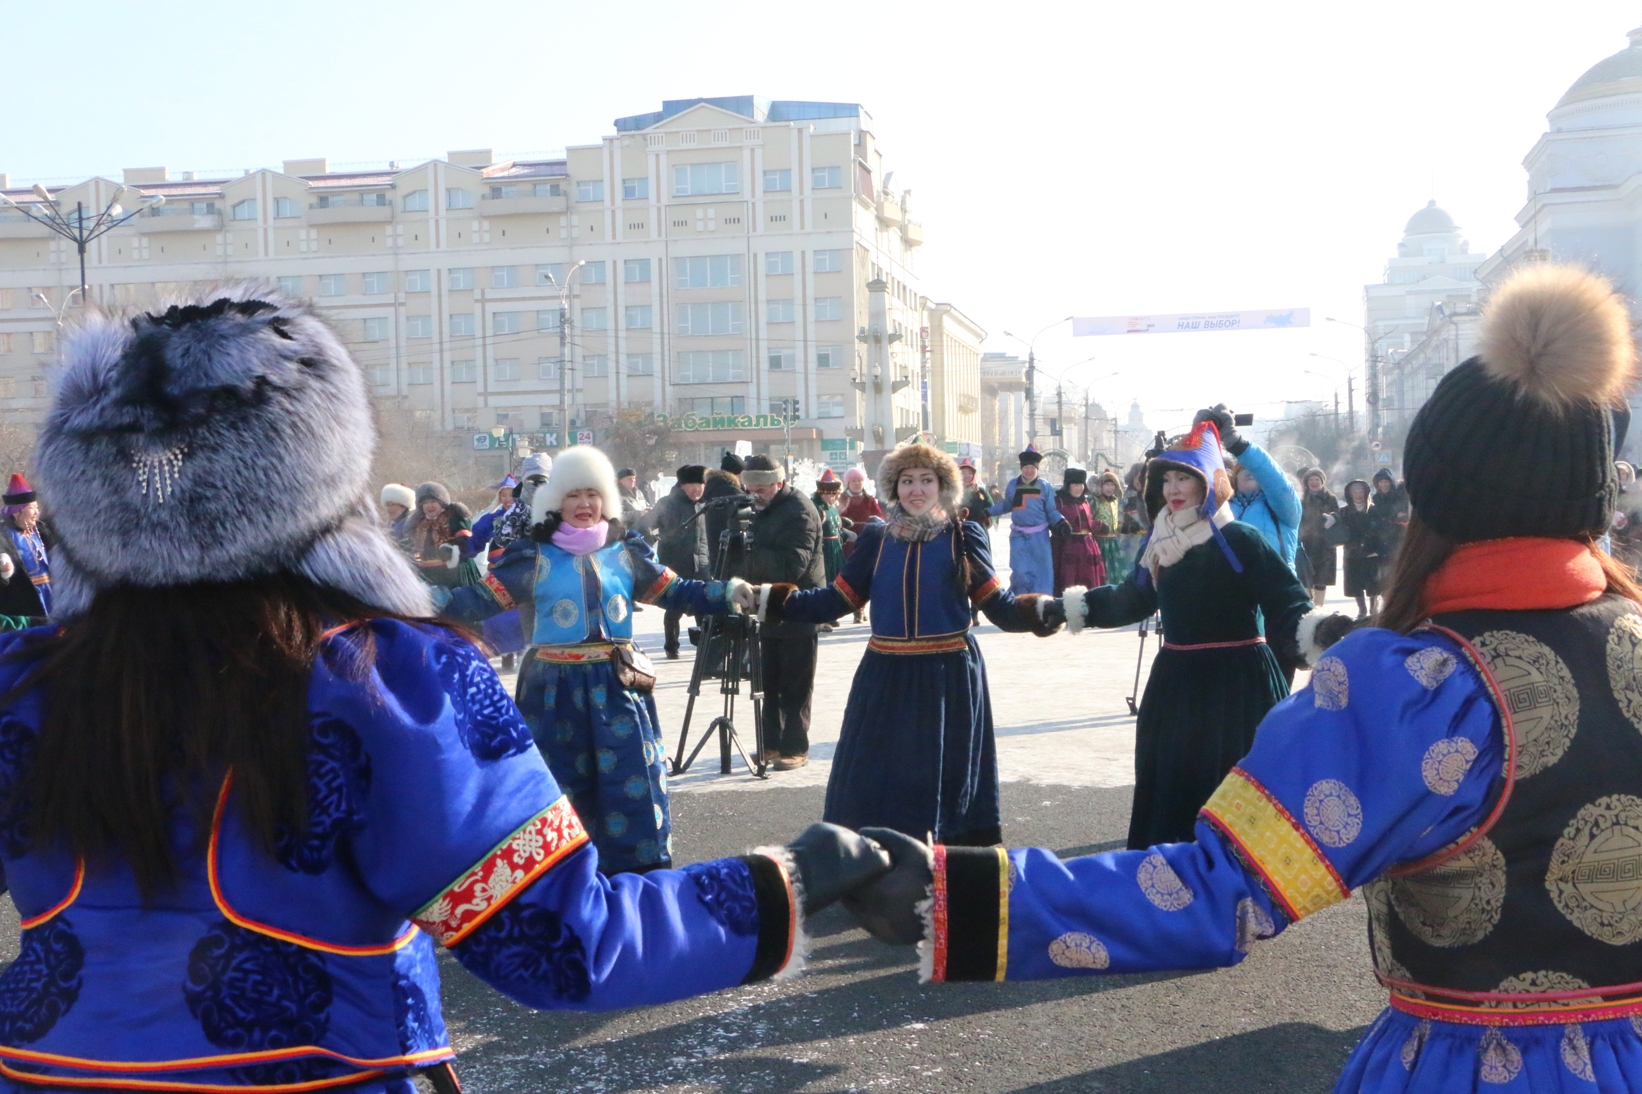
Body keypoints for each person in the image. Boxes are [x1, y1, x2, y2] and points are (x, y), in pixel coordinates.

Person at [0, 288, 885, 1092]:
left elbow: (653, 593)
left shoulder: (29, 680)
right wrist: (794, 879)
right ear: (319, 479)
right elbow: (563, 945)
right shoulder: (385, 677)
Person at [845, 263, 1642, 1094]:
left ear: (1434, 501)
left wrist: (941, 892)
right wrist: (1067, 609)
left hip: (1469, 1068)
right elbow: (1129, 599)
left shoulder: (1419, 685)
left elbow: (1213, 893)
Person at [434, 445, 743, 874]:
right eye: (574, 495)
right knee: (558, 793)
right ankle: (560, 882)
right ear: (556, 501)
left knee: (631, 788)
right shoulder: (533, 556)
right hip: (552, 692)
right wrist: (409, 599)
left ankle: (638, 882)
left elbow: (679, 592)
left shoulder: (627, 553)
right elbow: (474, 601)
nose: (584, 504)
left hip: (619, 689)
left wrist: (730, 593)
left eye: (593, 494)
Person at [1052, 417, 1346, 848]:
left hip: (1238, 684)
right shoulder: (1160, 540)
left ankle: (1238, 894)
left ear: (1208, 483)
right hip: (1177, 687)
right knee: (1175, 790)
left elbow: (1287, 599)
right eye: (1167, 477)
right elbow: (1131, 599)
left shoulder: (1240, 539)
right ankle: (1170, 889)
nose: (1173, 487)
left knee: (1235, 798)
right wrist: (1066, 609)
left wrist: (1324, 629)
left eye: (1184, 478)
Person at [750, 443, 1062, 845]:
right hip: (886, 675)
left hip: (947, 676)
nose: (916, 490)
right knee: (877, 773)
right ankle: (872, 860)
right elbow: (836, 601)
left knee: (940, 776)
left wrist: (1051, 609)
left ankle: (945, 868)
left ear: (943, 486)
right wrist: (767, 600)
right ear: (894, 488)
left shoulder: (963, 536)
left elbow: (998, 607)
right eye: (907, 481)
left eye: (926, 480)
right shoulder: (877, 539)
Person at [741, 454, 825, 771]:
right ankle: (771, 745)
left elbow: (792, 565)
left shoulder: (799, 510)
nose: (754, 495)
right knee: (769, 681)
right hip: (769, 604)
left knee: (796, 684)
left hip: (799, 605)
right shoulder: (764, 508)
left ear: (778, 483)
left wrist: (748, 549)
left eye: (760, 489)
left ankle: (795, 747)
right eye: (749, 489)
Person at [1207, 405, 1301, 570]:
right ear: (1234, 477)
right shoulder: (1221, 507)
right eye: (1244, 468)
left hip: (1274, 588)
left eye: (1255, 469)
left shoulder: (1282, 507)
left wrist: (1237, 445)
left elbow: (1278, 485)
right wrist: (1202, 439)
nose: (1250, 472)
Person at [647, 464, 710, 659]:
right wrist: (654, 542)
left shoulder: (706, 504)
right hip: (675, 564)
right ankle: (671, 647)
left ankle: (705, 647)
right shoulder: (667, 503)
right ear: (682, 485)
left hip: (702, 564)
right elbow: (647, 525)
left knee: (704, 608)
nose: (696, 489)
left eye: (700, 484)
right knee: (674, 609)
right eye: (691, 485)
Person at [988, 446, 1069, 594]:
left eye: (1032, 468)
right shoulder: (1013, 484)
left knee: (1041, 571)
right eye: (1026, 467)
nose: (1029, 471)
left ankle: (1042, 603)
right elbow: (1007, 505)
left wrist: (1061, 522)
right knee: (1019, 571)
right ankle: (1020, 601)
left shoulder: (1045, 486)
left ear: (1037, 469)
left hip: (1039, 536)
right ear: (1021, 468)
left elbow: (1051, 510)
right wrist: (987, 512)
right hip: (1018, 536)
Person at [406, 482, 481, 589]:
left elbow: (467, 544)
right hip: (428, 576)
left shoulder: (453, 518)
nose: (429, 506)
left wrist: (453, 550)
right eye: (426, 503)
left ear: (441, 502)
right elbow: (411, 546)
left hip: (454, 573)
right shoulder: (418, 523)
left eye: (433, 501)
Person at [0, 474, 50, 621]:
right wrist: (4, 570)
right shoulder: (3, 536)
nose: (36, 513)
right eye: (31, 508)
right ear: (17, 512)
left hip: (53, 595)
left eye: (37, 507)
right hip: (24, 603)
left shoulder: (44, 531)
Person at [1053, 467, 1106, 594]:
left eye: (1081, 484)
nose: (1079, 488)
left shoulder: (1085, 501)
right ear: (1068, 485)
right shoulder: (1059, 501)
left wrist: (1100, 526)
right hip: (1067, 546)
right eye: (1075, 485)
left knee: (1089, 581)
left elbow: (1089, 522)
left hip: (1088, 547)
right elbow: (1052, 519)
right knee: (1070, 579)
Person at [1339, 478, 1387, 619]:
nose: (1358, 494)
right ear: (1349, 493)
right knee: (1355, 582)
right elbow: (1337, 525)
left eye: (1361, 491)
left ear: (1366, 492)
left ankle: (1373, 608)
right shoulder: (1344, 512)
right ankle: (1362, 609)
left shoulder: (1374, 510)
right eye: (1355, 491)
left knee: (1373, 583)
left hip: (1371, 553)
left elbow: (1382, 531)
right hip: (1352, 553)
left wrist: (1378, 548)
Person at [1298, 467, 1340, 607]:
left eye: (1317, 479)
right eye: (1311, 480)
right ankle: (1308, 606)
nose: (1314, 482)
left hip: (1325, 544)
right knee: (1305, 577)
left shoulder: (1331, 498)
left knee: (1321, 579)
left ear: (1322, 481)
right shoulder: (1300, 497)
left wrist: (1333, 519)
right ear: (1306, 482)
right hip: (1305, 542)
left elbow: (1339, 516)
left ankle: (1319, 606)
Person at [702, 451, 746, 576]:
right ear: (738, 473)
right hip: (732, 559)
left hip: (717, 554)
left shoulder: (714, 488)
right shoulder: (732, 492)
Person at [467, 474, 519, 564]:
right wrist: (458, 550)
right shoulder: (492, 518)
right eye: (504, 495)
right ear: (499, 497)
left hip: (521, 567)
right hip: (497, 568)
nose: (507, 499)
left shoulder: (526, 516)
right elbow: (475, 538)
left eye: (511, 495)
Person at [812, 467, 847, 585]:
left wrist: (844, 533)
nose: (837, 497)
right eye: (834, 494)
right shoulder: (817, 508)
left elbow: (835, 529)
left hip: (837, 552)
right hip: (825, 552)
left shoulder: (832, 507)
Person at [1372, 468, 1411, 565]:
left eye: (1386, 482)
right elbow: (1379, 513)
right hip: (1382, 538)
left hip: (1397, 536)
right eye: (1381, 482)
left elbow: (1404, 512)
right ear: (1377, 484)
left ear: (1391, 482)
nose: (1384, 485)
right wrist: (1395, 514)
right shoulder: (1375, 498)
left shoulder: (1399, 494)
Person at [1090, 470, 1123, 580]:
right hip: (1100, 542)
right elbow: (1089, 520)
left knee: (1115, 572)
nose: (1110, 488)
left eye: (1112, 485)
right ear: (1101, 486)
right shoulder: (1094, 500)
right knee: (1102, 572)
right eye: (1107, 485)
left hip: (1113, 542)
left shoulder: (1115, 501)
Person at [958, 458, 994, 530]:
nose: (966, 476)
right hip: (958, 531)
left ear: (974, 475)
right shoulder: (953, 492)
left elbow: (992, 508)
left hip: (979, 531)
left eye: (970, 473)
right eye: (963, 473)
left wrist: (990, 521)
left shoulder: (981, 491)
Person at [379, 482, 415, 551]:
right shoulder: (388, 525)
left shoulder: (410, 524)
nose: (389, 509)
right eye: (388, 505)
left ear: (403, 506)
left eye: (393, 505)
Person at [617, 466, 652, 533]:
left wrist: (649, 508)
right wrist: (638, 514)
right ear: (620, 481)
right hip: (629, 533)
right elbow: (619, 516)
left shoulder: (638, 492)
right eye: (629, 478)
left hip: (645, 530)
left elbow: (645, 504)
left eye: (634, 478)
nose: (632, 480)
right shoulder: (617, 496)